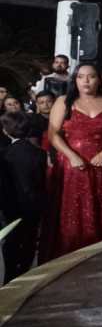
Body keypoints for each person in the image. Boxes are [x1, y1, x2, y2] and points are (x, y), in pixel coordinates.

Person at [44, 62, 102, 260]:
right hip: (71, 166)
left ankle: (99, 260)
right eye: (81, 77)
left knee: (98, 212)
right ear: (75, 80)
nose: (86, 81)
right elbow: (53, 134)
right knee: (71, 213)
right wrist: (71, 156)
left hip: (100, 165)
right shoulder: (64, 101)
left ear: (99, 80)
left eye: (91, 76)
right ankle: (66, 258)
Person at [0, 112, 47, 283]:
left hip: (10, 207)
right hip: (33, 205)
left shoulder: (5, 154)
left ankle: (10, 278)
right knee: (29, 240)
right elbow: (41, 181)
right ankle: (24, 275)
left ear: (6, 131)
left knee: (11, 242)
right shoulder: (39, 153)